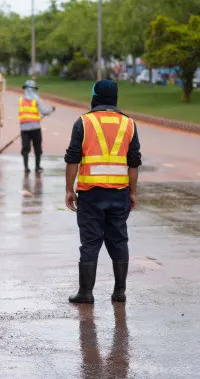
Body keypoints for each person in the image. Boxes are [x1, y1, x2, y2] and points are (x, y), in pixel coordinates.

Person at [64, 79, 142, 304]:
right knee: (119, 241)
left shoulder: (83, 122)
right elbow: (133, 162)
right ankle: (119, 292)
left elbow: (72, 159)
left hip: (90, 194)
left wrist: (70, 190)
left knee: (90, 242)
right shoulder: (129, 124)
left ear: (94, 96)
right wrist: (132, 192)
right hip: (119, 193)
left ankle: (86, 293)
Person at [19, 79, 55, 174]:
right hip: (35, 128)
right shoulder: (36, 99)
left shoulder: (21, 100)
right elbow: (44, 111)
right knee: (37, 148)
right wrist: (51, 109)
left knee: (25, 149)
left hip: (24, 129)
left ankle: (26, 168)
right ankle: (37, 167)